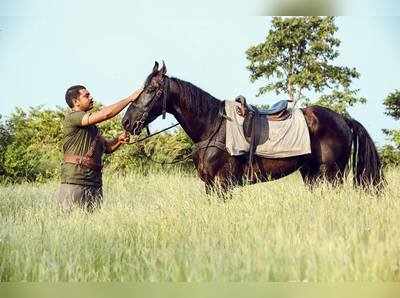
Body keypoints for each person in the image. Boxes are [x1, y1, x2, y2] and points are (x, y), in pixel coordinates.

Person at [57, 85, 142, 212]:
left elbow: (107, 148)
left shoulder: (93, 128)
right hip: (74, 183)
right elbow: (106, 113)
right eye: (86, 96)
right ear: (76, 102)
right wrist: (130, 99)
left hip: (94, 183)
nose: (91, 98)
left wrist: (119, 140)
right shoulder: (73, 117)